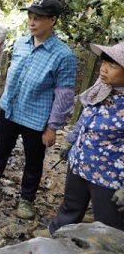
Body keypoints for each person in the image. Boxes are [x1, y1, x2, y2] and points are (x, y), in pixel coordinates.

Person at [0, 0, 77, 220]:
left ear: (53, 20)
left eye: (38, 18)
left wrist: (53, 127)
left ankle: (27, 199)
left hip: (37, 117)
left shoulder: (63, 55)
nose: (32, 22)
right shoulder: (21, 43)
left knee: (33, 161)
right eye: (30, 17)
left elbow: (64, 95)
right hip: (10, 109)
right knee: (0, 150)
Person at [44, 43, 124, 235]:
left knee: (108, 224)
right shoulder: (102, 88)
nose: (103, 68)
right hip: (80, 162)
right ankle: (56, 235)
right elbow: (85, 118)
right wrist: (70, 141)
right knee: (71, 206)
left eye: (112, 66)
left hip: (108, 177)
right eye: (104, 62)